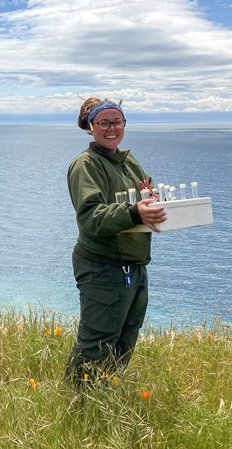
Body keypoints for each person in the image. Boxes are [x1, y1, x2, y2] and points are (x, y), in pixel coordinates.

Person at [65, 98, 166, 385]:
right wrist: (135, 212)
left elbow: (145, 196)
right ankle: (78, 403)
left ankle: (105, 394)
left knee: (126, 337)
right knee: (95, 343)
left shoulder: (127, 161)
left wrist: (151, 206)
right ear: (91, 127)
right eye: (104, 122)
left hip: (133, 265)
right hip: (102, 265)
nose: (112, 128)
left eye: (118, 121)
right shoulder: (86, 165)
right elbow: (91, 217)